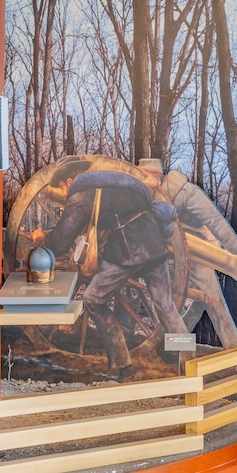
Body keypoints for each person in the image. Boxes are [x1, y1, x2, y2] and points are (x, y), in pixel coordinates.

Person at [34, 156, 187, 375]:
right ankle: (189, 363)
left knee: (93, 299)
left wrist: (41, 239)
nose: (65, 194)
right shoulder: (111, 182)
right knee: (166, 305)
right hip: (154, 245)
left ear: (69, 181)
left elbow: (60, 243)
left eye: (62, 188)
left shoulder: (81, 195)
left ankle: (122, 364)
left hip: (128, 252)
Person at [137, 159, 237, 349]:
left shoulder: (187, 193)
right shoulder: (143, 196)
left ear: (157, 180)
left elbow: (217, 223)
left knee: (213, 301)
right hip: (168, 250)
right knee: (169, 304)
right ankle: (176, 349)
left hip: (200, 247)